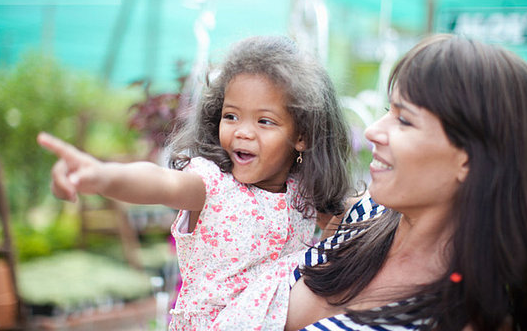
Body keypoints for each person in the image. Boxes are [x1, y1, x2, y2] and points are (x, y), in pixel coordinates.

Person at [37, 35, 354, 330]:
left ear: (301, 136)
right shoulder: (211, 183)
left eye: (264, 121)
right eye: (231, 116)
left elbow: (342, 225)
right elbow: (160, 182)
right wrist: (104, 177)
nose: (242, 131)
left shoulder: (303, 195)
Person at [285, 34, 527, 330]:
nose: (372, 131)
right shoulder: (362, 216)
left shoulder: (458, 320)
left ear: (470, 159)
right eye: (388, 111)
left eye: (405, 120)